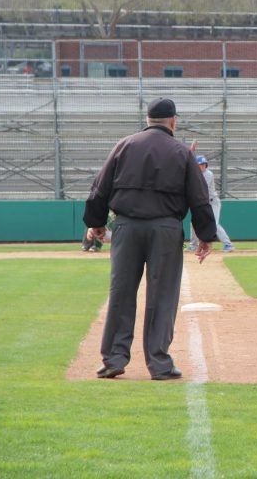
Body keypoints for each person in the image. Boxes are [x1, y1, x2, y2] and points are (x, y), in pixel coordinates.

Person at [84, 97, 217, 381]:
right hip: (166, 230)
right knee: (163, 295)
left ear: (147, 120)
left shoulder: (124, 145)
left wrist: (96, 224)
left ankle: (113, 359)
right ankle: (159, 364)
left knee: (121, 292)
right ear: (173, 122)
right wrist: (205, 235)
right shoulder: (182, 153)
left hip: (127, 228)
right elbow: (200, 199)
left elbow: (98, 188)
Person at [188, 155, 234, 252]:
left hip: (213, 203)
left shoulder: (208, 174)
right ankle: (194, 245)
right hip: (202, 203)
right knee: (193, 223)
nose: (202, 166)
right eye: (200, 164)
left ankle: (228, 244)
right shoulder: (194, 174)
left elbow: (199, 188)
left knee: (214, 225)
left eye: (204, 164)